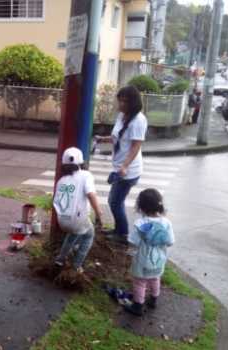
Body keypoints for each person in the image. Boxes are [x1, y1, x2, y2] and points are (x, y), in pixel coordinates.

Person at [95, 86, 148, 244]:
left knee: (115, 201)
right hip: (120, 167)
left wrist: (124, 167)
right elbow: (117, 137)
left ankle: (122, 234)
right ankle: (118, 230)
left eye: (125, 101)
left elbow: (135, 146)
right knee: (115, 201)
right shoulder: (122, 116)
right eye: (120, 100)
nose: (122, 104)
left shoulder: (138, 120)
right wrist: (103, 139)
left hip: (129, 171)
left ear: (133, 102)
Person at [124, 188, 175, 316]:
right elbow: (170, 242)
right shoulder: (166, 223)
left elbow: (132, 241)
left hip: (142, 259)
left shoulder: (140, 223)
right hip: (159, 259)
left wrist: (130, 251)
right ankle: (153, 299)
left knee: (140, 282)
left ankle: (138, 306)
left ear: (141, 206)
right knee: (155, 278)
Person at [53, 147, 103, 273]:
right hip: (78, 219)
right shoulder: (86, 175)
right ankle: (76, 265)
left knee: (72, 235)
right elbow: (91, 194)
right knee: (89, 236)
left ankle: (60, 259)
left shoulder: (61, 180)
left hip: (62, 220)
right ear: (81, 162)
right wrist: (98, 213)